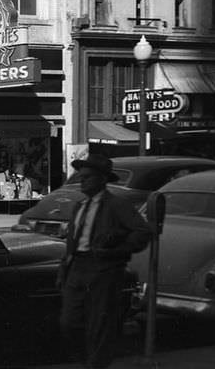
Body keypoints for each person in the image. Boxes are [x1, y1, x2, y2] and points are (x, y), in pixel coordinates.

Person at [58, 153, 151, 369]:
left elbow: (143, 232)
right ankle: (86, 361)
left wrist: (119, 249)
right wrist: (64, 271)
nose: (82, 180)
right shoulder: (79, 207)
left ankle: (96, 365)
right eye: (80, 176)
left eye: (87, 177)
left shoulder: (116, 205)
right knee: (69, 322)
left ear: (101, 179)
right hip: (77, 268)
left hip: (103, 270)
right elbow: (72, 243)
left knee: (99, 324)